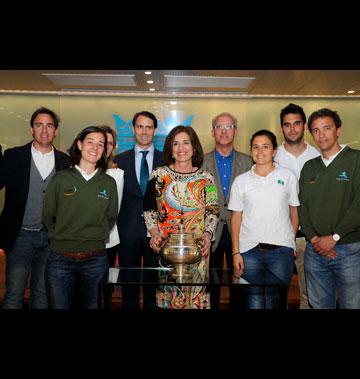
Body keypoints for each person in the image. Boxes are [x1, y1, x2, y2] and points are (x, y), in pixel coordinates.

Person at [0, 107, 70, 309]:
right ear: (32, 129)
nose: (44, 130)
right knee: (14, 293)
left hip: (50, 239)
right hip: (20, 236)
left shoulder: (65, 161)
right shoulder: (14, 156)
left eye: (49, 125)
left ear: (56, 131)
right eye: (39, 125)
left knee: (42, 294)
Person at [143, 125, 219, 309]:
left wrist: (208, 236)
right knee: (169, 302)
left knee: (196, 301)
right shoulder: (158, 174)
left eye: (186, 143)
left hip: (198, 252)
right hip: (167, 251)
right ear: (170, 149)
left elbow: (213, 211)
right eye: (175, 144)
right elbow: (149, 209)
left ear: (194, 148)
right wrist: (154, 233)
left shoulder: (208, 178)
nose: (181, 148)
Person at [43, 126, 118, 309]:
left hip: (95, 260)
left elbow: (110, 218)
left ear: (104, 151)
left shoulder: (108, 183)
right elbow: (48, 216)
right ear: (79, 144)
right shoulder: (61, 179)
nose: (95, 147)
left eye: (100, 144)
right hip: (60, 259)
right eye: (90, 142)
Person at [228, 130, 299, 309]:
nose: (260, 152)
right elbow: (235, 219)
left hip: (281, 252)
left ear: (274, 151)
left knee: (277, 302)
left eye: (265, 147)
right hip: (249, 252)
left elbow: (294, 212)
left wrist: (291, 243)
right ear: (251, 151)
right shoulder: (241, 181)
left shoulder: (287, 176)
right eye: (255, 147)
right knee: (254, 303)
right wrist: (236, 252)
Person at [299, 108, 360, 309]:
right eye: (315, 130)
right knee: (318, 305)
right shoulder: (309, 167)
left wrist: (334, 238)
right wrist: (315, 239)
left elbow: (357, 206)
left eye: (326, 128)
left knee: (352, 304)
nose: (321, 134)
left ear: (338, 130)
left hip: (350, 249)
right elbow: (302, 207)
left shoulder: (355, 160)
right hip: (315, 251)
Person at [113, 111, 164, 309]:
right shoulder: (119, 160)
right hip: (127, 232)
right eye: (140, 127)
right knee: (129, 287)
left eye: (149, 127)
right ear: (134, 129)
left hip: (158, 234)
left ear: (155, 131)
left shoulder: (166, 160)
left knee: (155, 286)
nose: (144, 131)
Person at [203, 112, 252, 309]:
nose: (224, 131)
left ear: (236, 131)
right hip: (210, 232)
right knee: (210, 283)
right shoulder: (201, 162)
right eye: (219, 127)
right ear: (213, 132)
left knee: (239, 283)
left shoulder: (249, 163)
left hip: (240, 232)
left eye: (228, 126)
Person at [274, 103, 320, 309]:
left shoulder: (318, 156)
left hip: (308, 237)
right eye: (287, 124)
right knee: (276, 292)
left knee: (308, 293)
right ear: (281, 128)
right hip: (278, 235)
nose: (292, 129)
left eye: (297, 124)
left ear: (305, 126)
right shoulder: (272, 156)